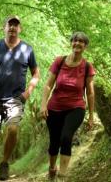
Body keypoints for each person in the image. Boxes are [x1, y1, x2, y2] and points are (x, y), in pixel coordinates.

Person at [0, 15, 40, 182]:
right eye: (9, 25)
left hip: (16, 98)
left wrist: (29, 91)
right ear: (4, 28)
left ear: (20, 29)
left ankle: (4, 163)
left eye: (16, 25)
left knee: (12, 130)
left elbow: (36, 74)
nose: (12, 28)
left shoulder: (27, 49)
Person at [40, 31, 96, 180]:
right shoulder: (59, 61)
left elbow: (90, 93)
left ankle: (62, 175)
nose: (77, 43)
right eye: (75, 41)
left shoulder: (87, 67)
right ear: (71, 43)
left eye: (81, 42)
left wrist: (91, 116)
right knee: (54, 142)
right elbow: (47, 85)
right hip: (54, 107)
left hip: (76, 107)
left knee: (66, 137)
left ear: (85, 46)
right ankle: (52, 168)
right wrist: (43, 105)